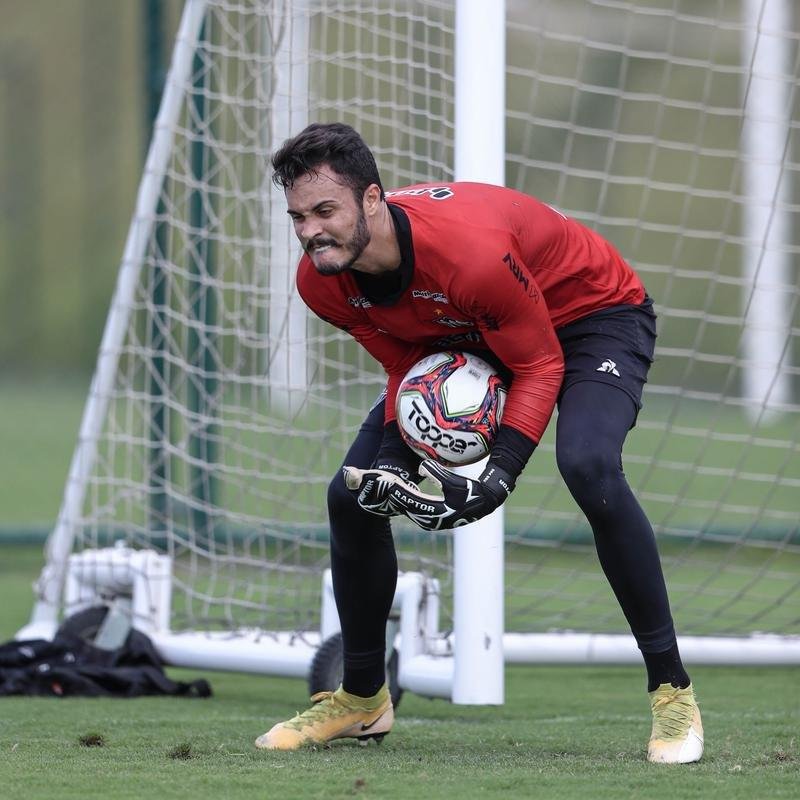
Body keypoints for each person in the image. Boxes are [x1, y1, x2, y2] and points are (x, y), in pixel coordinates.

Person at [255, 122, 703, 763]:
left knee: (588, 465)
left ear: (374, 201)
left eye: (325, 211)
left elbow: (543, 364)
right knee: (351, 497)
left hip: (590, 318)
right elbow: (405, 365)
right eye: (298, 216)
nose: (310, 231)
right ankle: (361, 700)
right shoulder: (320, 281)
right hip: (468, 326)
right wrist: (390, 458)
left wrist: (496, 479)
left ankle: (672, 691)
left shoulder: (469, 255)